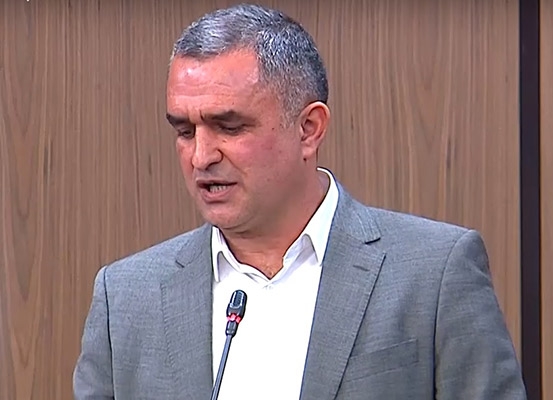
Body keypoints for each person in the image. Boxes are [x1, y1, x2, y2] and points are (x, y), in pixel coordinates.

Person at [73, 3, 527, 400]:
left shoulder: (434, 275)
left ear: (309, 129)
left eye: (229, 127)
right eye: (185, 131)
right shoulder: (125, 297)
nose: (201, 156)